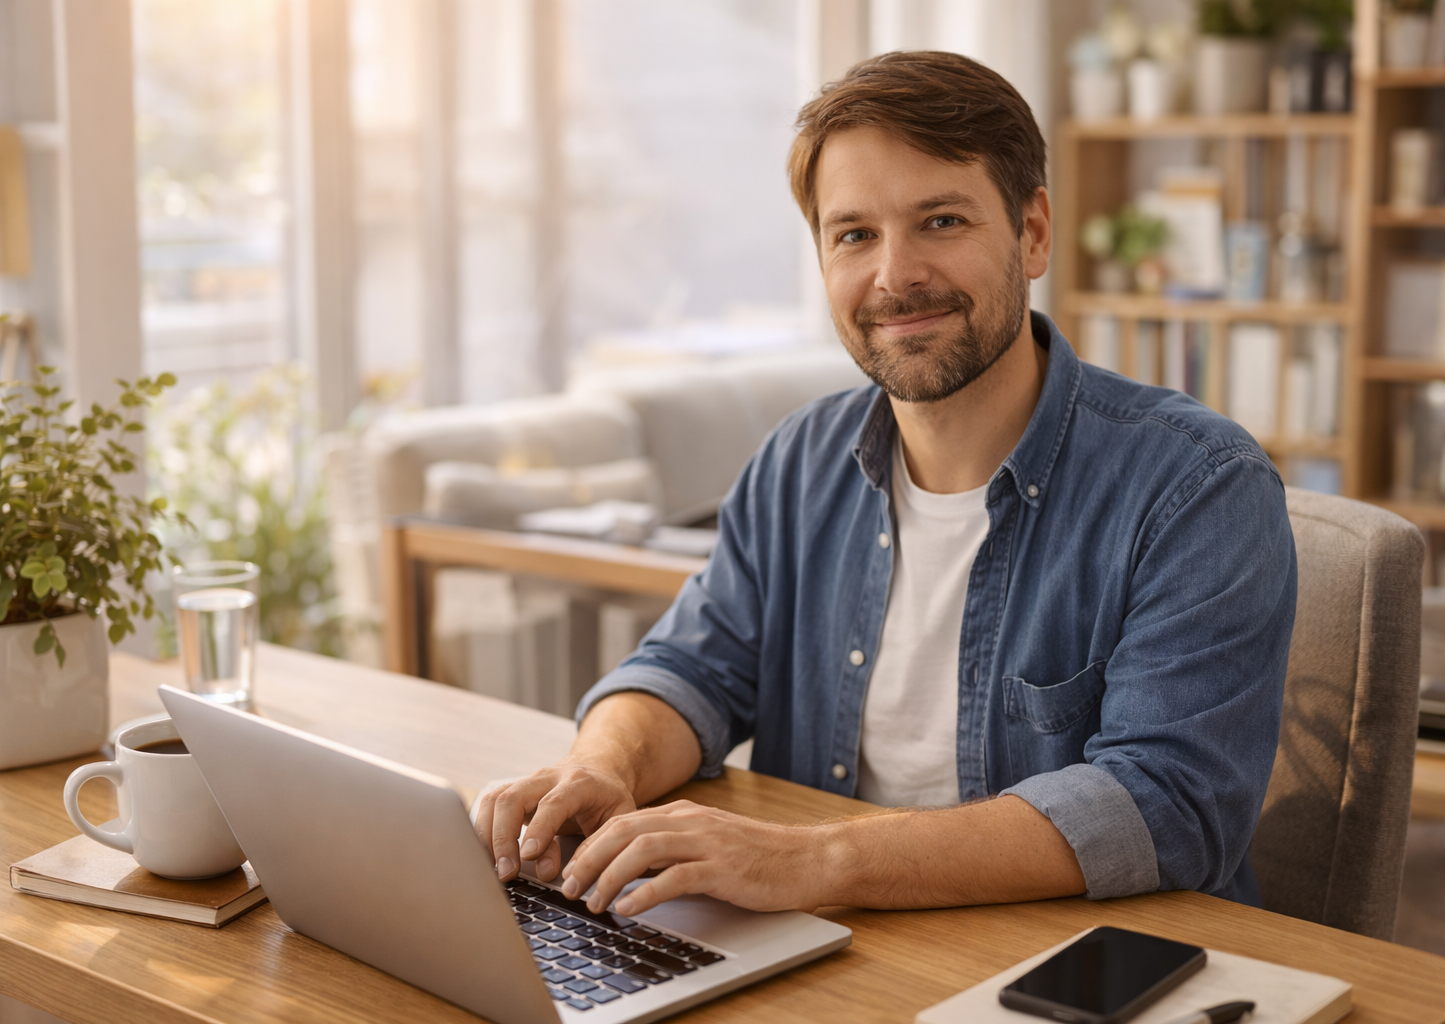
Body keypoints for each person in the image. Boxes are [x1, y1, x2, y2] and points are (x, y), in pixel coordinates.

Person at [475, 51, 1296, 919]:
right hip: (834, 957)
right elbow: (688, 668)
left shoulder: (1199, 487)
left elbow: (1169, 805)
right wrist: (602, 766)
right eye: (854, 234)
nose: (894, 276)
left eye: (940, 221)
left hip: (1068, 968)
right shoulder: (798, 462)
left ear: (1033, 232)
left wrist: (819, 860)